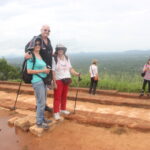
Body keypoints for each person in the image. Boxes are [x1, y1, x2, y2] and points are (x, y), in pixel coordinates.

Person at [25, 25, 53, 112]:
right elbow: (27, 47)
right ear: (41, 30)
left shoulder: (48, 41)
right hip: (39, 67)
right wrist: (27, 54)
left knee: (45, 88)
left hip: (47, 67)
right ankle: (39, 105)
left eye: (49, 31)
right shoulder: (36, 39)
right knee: (39, 89)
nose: (47, 32)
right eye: (45, 30)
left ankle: (44, 105)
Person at [27, 37, 52, 129]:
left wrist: (46, 71)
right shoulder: (31, 56)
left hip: (43, 81)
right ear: (32, 46)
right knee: (41, 102)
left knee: (42, 102)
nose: (38, 46)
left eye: (39, 44)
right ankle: (39, 122)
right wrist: (43, 70)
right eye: (36, 44)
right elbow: (29, 71)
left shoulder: (39, 55)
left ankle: (42, 118)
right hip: (37, 81)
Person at [52, 44, 80, 120]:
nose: (60, 50)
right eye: (59, 49)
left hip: (66, 79)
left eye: (62, 49)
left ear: (64, 50)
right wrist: (54, 82)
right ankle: (56, 112)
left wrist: (76, 73)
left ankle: (63, 109)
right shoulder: (54, 58)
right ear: (57, 50)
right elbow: (53, 71)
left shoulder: (67, 58)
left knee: (64, 96)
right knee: (57, 97)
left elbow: (70, 68)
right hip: (58, 80)